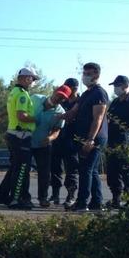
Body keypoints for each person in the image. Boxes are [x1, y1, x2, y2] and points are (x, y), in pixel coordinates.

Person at [61, 63, 109, 212]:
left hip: (93, 138)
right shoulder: (86, 94)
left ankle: (82, 203)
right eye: (84, 73)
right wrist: (55, 115)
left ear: (96, 75)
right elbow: (73, 112)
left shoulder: (99, 93)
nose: (85, 76)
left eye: (89, 73)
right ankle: (97, 203)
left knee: (85, 169)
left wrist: (90, 139)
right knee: (92, 171)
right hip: (82, 137)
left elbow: (98, 119)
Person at [0, 68, 40, 210]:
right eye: (32, 79)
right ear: (26, 78)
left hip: (14, 134)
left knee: (15, 167)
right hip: (21, 136)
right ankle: (17, 199)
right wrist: (37, 119)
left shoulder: (14, 92)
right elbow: (21, 116)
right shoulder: (22, 94)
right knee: (22, 169)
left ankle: (2, 195)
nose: (32, 82)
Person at [105, 75, 129, 208]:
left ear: (125, 86)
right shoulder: (115, 102)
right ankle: (116, 199)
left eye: (118, 85)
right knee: (112, 171)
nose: (115, 88)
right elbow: (108, 119)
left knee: (127, 170)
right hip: (112, 140)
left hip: (128, 140)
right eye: (115, 86)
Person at [31, 85, 71, 207]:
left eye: (63, 98)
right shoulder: (35, 98)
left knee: (44, 173)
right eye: (59, 95)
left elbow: (56, 130)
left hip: (43, 145)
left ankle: (43, 198)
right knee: (21, 169)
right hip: (25, 140)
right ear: (54, 91)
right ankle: (20, 197)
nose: (59, 98)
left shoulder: (61, 112)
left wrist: (50, 138)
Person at [50, 78, 80, 207]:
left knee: (71, 169)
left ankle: (71, 196)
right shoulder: (63, 101)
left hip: (72, 140)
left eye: (69, 88)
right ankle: (55, 194)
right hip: (58, 138)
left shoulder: (80, 102)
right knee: (55, 168)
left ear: (75, 89)